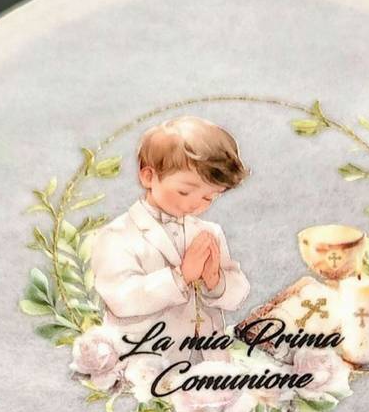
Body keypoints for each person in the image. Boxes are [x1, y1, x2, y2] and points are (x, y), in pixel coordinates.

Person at [90, 115, 251, 364]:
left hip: (209, 360)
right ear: (148, 177)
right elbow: (122, 299)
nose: (195, 204)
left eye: (209, 197)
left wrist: (216, 280)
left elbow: (238, 293)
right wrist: (180, 277)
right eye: (184, 191)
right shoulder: (117, 235)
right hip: (147, 363)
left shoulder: (208, 232)